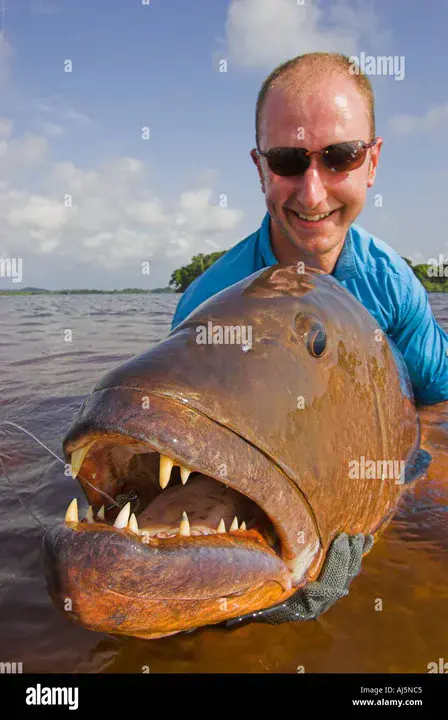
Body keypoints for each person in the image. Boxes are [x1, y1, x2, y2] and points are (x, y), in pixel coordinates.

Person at [171, 52, 448, 628]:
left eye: (341, 157)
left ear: (371, 161)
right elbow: (188, 453)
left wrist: (388, 503)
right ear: (260, 169)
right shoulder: (205, 302)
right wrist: (233, 591)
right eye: (289, 161)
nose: (313, 192)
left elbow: (436, 410)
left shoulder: (395, 290)